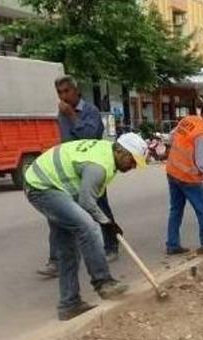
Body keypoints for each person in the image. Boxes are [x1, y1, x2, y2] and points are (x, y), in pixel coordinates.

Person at [24, 134, 148, 320]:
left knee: (68, 249)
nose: (133, 166)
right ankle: (103, 282)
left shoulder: (107, 156)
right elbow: (87, 202)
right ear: (120, 150)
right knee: (89, 228)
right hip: (43, 186)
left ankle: (69, 304)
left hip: (54, 186)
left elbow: (89, 199)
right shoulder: (100, 166)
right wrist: (106, 223)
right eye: (132, 160)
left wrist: (108, 222)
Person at [37, 75, 114, 279]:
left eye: (66, 91)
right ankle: (56, 260)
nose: (64, 96)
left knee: (100, 208)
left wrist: (72, 116)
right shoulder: (61, 113)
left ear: (76, 91)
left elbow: (90, 137)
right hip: (69, 171)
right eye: (60, 93)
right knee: (57, 216)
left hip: (92, 168)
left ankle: (112, 244)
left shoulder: (90, 112)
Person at [165, 101, 203, 255]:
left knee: (175, 210)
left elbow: (171, 137)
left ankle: (172, 244)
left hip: (172, 172)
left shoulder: (188, 120)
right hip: (189, 178)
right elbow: (202, 162)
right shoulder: (202, 133)